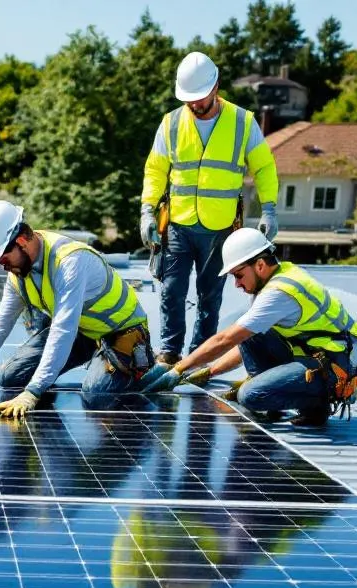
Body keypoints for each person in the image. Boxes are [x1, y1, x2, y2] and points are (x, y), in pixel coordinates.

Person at [0, 201, 154, 418]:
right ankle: (84, 363)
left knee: (95, 395)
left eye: (3, 259)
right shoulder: (19, 273)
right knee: (9, 376)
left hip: (121, 332)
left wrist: (33, 392)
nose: (2, 267)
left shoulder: (69, 262)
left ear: (22, 240)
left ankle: (143, 371)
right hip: (84, 333)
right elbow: (0, 324)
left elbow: (62, 330)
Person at [143, 228, 357, 427]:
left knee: (251, 396)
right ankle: (277, 393)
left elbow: (225, 340)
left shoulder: (279, 293)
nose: (237, 284)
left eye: (239, 275)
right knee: (248, 331)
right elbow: (243, 342)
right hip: (316, 357)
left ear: (259, 265)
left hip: (335, 369)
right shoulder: (278, 277)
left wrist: (178, 370)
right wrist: (209, 372)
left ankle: (317, 406)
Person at [139, 51, 280, 367]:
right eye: (189, 100)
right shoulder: (171, 123)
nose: (194, 105)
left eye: (200, 98)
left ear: (215, 86)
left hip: (219, 227)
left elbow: (265, 168)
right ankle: (170, 351)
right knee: (171, 291)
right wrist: (147, 210)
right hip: (178, 222)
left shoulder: (243, 122)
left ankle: (200, 354)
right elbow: (155, 169)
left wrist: (269, 209)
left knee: (209, 297)